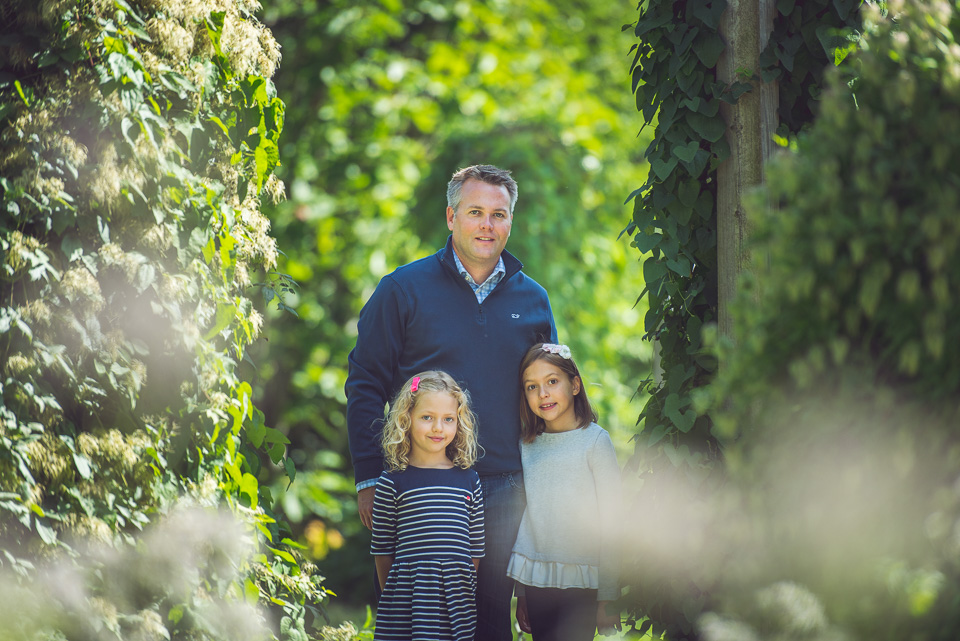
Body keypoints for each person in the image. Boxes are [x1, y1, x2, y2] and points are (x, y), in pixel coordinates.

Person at [346, 164, 557, 640]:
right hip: (423, 486)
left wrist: (545, 499)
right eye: (476, 212)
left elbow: (550, 406)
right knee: (423, 616)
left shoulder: (535, 299)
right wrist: (369, 475)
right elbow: (365, 385)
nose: (487, 225)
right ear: (450, 217)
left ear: (510, 222)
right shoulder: (402, 290)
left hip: (506, 487)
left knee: (489, 622)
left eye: (499, 215)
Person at [507, 343, 622, 641]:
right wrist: (522, 594)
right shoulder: (526, 445)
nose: (542, 393)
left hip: (583, 582)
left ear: (575, 385)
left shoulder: (595, 442)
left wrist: (608, 597)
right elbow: (527, 523)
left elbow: (613, 523)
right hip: (537, 584)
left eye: (552, 382)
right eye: (532, 386)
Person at [371, 370, 485, 641]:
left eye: (448, 419)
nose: (438, 428)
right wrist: (397, 596)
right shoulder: (393, 481)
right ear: (406, 418)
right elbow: (382, 550)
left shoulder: (469, 480)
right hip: (406, 604)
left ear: (459, 422)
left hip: (457, 604)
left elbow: (476, 549)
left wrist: (460, 589)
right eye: (427, 418)